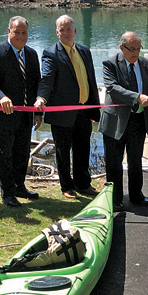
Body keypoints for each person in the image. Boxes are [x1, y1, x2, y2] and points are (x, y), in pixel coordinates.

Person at [35, 15, 101, 199]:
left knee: (83, 149)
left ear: (75, 31)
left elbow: (90, 80)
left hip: (84, 110)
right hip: (62, 113)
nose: (65, 32)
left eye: (68, 29)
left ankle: (83, 184)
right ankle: (67, 186)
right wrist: (41, 98)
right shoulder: (50, 53)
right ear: (57, 32)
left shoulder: (84, 51)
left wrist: (94, 107)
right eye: (61, 29)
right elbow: (46, 79)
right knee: (63, 152)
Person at [99, 31, 148, 211]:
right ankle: (115, 199)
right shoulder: (110, 64)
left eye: (138, 48)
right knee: (114, 162)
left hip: (138, 120)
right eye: (132, 49)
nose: (136, 53)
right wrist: (137, 97)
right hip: (116, 121)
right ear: (122, 47)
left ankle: (136, 196)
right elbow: (112, 88)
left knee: (135, 161)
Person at [0, 16, 42, 208]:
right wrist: (1, 97)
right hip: (2, 116)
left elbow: (35, 84)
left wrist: (38, 112)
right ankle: (7, 193)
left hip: (25, 116)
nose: (21, 36)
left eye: (24, 32)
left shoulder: (31, 54)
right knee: (4, 155)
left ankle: (19, 186)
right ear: (9, 31)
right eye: (17, 32)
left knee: (22, 154)